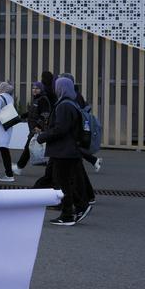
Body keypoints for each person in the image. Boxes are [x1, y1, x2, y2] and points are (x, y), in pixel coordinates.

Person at [38, 77, 93, 225]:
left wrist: (43, 136)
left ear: (61, 88)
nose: (55, 89)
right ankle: (79, 207)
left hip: (63, 151)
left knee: (63, 182)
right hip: (69, 150)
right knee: (67, 181)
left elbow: (60, 129)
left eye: (57, 86)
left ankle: (69, 213)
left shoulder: (63, 106)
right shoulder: (72, 103)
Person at [17, 81, 52, 169]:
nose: (34, 90)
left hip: (38, 128)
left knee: (28, 147)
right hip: (33, 128)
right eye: (33, 88)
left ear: (41, 89)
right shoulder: (36, 99)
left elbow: (45, 114)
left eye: (37, 88)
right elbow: (32, 112)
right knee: (31, 147)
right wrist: (22, 115)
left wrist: (39, 126)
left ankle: (18, 167)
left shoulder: (43, 99)